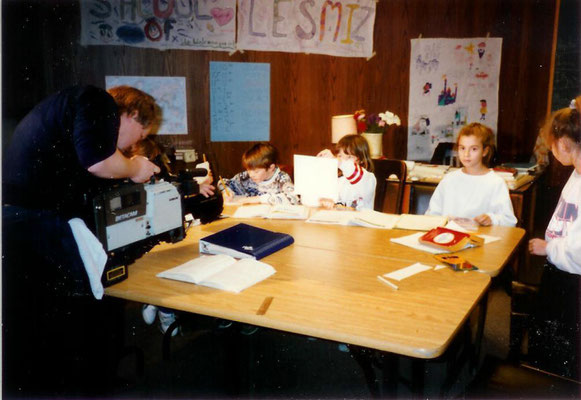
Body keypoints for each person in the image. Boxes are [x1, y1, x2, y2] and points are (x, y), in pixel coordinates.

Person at [2, 84, 162, 394]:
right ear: (131, 115)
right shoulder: (96, 100)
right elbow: (99, 162)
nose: (132, 146)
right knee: (89, 314)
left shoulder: (72, 114)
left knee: (50, 330)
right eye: (140, 137)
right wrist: (134, 167)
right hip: (34, 226)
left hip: (21, 223)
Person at [527, 96, 581, 380]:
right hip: (559, 271)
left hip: (571, 281)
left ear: (563, 143)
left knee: (558, 354)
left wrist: (549, 248)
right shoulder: (576, 175)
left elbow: (578, 251)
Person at [425, 122, 517, 227]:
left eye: (474, 149)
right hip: (449, 235)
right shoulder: (449, 179)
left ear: (485, 151)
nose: (466, 154)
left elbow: (509, 221)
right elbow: (432, 213)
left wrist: (492, 219)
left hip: (480, 237)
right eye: (462, 148)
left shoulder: (495, 182)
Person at [220, 142, 298, 205]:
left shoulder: (282, 178)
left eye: (256, 171)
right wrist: (226, 192)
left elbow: (293, 199)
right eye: (248, 170)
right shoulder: (246, 177)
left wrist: (259, 199)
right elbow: (223, 182)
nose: (251, 174)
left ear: (271, 168)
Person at [317, 134, 377, 210]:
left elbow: (352, 170)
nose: (344, 161)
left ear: (361, 159)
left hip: (360, 220)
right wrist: (326, 200)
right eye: (340, 156)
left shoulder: (368, 178)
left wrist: (336, 160)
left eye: (349, 157)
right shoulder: (339, 180)